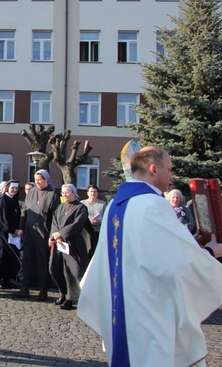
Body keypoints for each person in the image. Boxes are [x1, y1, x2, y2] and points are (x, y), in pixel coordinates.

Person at [78, 146, 222, 366]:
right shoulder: (152, 205)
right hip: (149, 313)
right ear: (154, 169)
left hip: (123, 310)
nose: (172, 177)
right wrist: (212, 253)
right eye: (170, 169)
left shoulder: (115, 206)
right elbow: (178, 264)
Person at [14, 169, 59, 301]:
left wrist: (52, 234)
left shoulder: (52, 195)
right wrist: (21, 228)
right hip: (29, 231)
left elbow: (56, 217)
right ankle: (25, 287)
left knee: (42, 261)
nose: (37, 182)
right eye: (36, 179)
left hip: (44, 233)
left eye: (40, 179)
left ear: (46, 180)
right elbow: (25, 211)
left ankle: (43, 288)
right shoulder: (32, 192)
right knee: (27, 259)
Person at [48, 184, 94, 311]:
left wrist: (61, 234)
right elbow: (54, 222)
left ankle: (74, 298)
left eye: (67, 192)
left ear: (74, 193)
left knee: (74, 271)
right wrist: (55, 235)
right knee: (54, 268)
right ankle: (63, 292)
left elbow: (77, 224)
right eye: (62, 192)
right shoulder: (60, 207)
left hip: (74, 244)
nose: (64, 195)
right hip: (59, 244)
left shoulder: (81, 208)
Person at [0, 180, 22, 289]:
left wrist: (17, 229)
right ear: (7, 188)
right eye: (12, 188)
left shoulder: (14, 200)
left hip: (13, 234)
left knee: (10, 256)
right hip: (3, 233)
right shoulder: (3, 199)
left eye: (16, 188)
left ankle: (7, 279)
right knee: (2, 256)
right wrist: (12, 230)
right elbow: (2, 219)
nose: (14, 190)